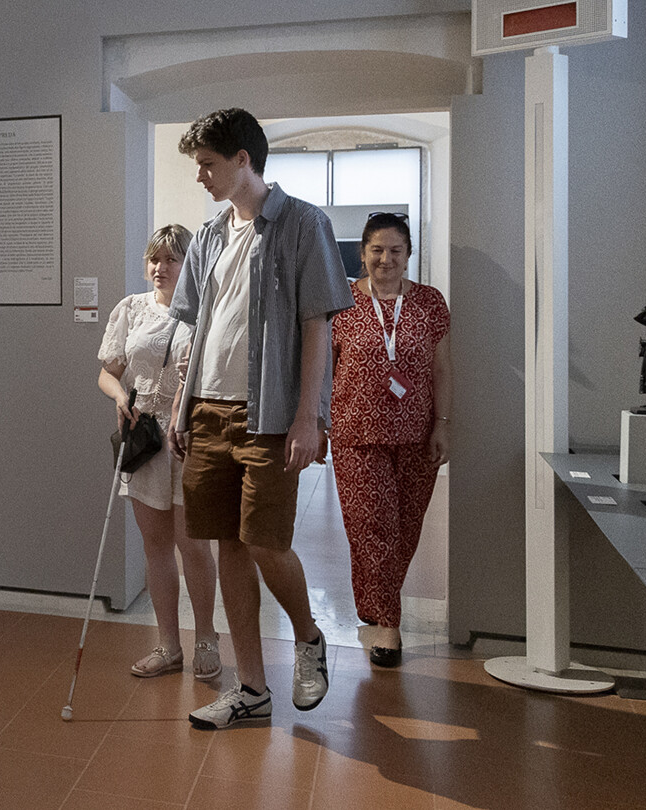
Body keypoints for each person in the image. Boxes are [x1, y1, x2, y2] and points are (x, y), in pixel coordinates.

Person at [165, 108, 354, 730]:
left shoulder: (303, 224)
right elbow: (197, 326)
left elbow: (318, 323)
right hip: (209, 411)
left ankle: (308, 635)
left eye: (208, 164)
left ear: (243, 159)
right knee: (227, 546)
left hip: (270, 416)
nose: (201, 176)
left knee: (266, 542)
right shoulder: (211, 234)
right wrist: (180, 400)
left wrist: (310, 416)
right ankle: (251, 688)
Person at [97, 225, 221, 680]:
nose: (159, 268)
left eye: (170, 259)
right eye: (154, 259)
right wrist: (118, 395)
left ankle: (206, 637)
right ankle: (168, 643)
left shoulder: (204, 310)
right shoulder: (131, 309)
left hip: (190, 435)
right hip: (145, 435)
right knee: (156, 547)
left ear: (189, 263)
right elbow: (109, 372)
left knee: (194, 545)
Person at [328, 213, 450, 668]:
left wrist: (443, 423)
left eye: (396, 250)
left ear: (408, 255)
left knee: (404, 530)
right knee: (373, 527)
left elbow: (442, 369)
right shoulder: (340, 302)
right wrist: (314, 422)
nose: (386, 259)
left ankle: (373, 602)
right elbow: (323, 370)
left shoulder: (430, 303)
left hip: (418, 434)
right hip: (356, 434)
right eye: (377, 250)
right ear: (362, 253)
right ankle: (388, 625)